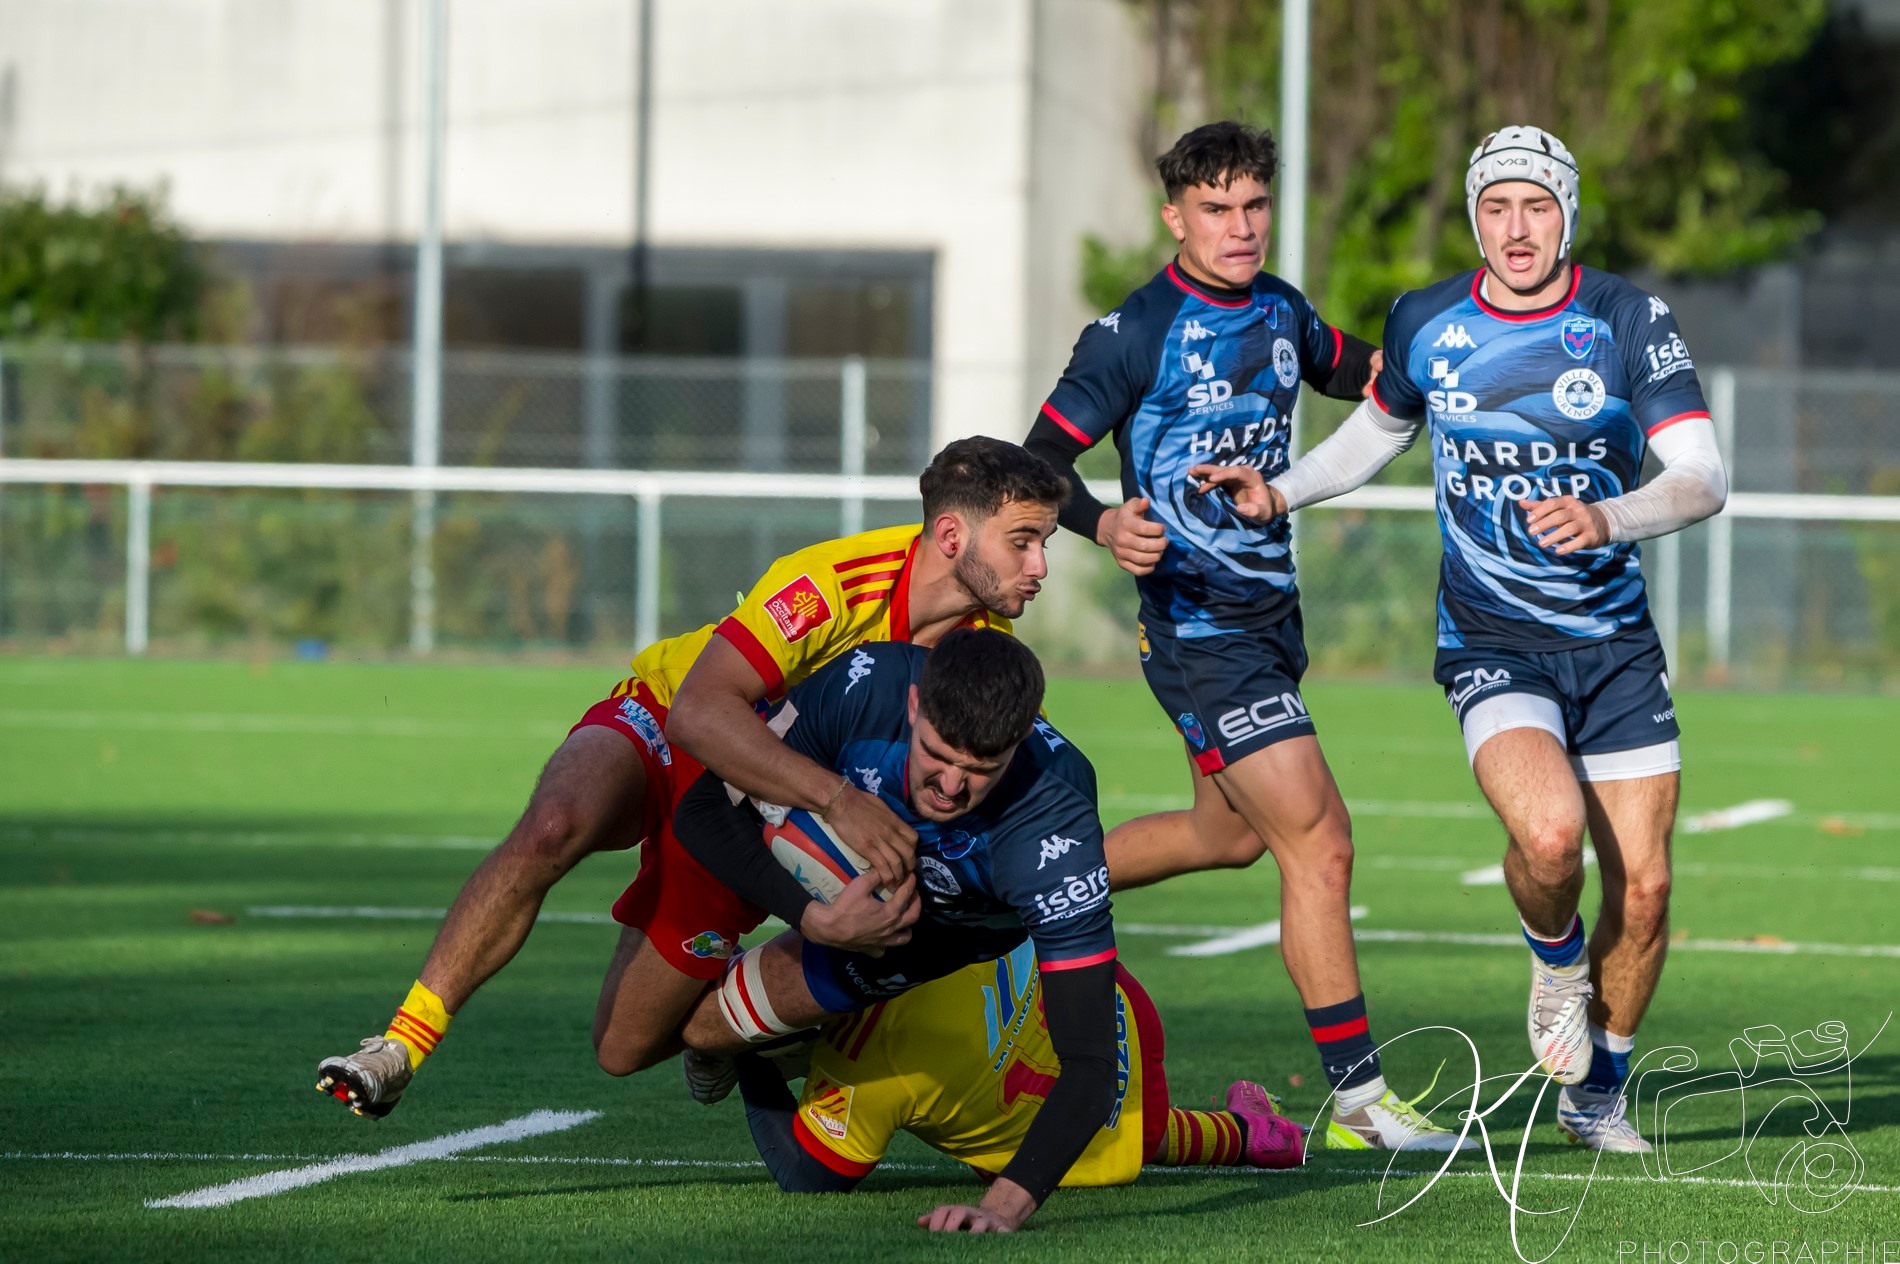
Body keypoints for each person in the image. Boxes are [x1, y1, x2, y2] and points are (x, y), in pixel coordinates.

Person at [1198, 126, 1727, 1153]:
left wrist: (1610, 516)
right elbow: (1374, 433)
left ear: (1566, 212)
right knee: (1546, 838)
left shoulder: (1627, 318)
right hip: (1492, 636)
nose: (1515, 227)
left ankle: (1596, 1097)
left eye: (1535, 205)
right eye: (1495, 206)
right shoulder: (1427, 318)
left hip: (1614, 642)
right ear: (1474, 216)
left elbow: (1700, 475)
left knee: (1649, 886)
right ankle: (1552, 953)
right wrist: (1284, 488)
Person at [315, 438, 1067, 1117]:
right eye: (1024, 541)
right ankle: (401, 1044)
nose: (1039, 567)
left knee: (623, 1049)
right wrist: (839, 801)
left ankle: (744, 1028)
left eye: (1044, 544)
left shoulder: (981, 660)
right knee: (555, 822)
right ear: (949, 536)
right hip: (668, 716)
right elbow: (701, 716)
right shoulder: (833, 580)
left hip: (753, 814)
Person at [1023, 119, 1464, 1152]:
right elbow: (1033, 453)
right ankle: (1359, 1102)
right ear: (1175, 217)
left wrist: (1458, 365)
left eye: (1253, 205)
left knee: (1222, 836)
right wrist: (1100, 522)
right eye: (1215, 209)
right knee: (1318, 840)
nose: (1239, 226)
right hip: (1197, 627)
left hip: (1269, 619)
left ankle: (1016, 883)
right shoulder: (1130, 333)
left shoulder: (1279, 309)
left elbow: (1363, 373)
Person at [667, 630, 1122, 1233]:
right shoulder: (865, 686)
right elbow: (701, 812)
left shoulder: (1056, 825)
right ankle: (775, 1028)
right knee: (700, 1031)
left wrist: (999, 1210)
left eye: (980, 768)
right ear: (913, 707)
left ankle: (803, 1037)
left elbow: (1090, 1062)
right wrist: (815, 917)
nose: (952, 787)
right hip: (844, 893)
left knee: (816, 1172)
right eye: (938, 754)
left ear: (1018, 745)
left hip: (945, 940)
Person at [734, 943, 1305, 1198]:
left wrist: (740, 1058)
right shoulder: (929, 904)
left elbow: (811, 1174)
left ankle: (1247, 1135)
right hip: (1115, 1002)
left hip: (1085, 1122)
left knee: (1109, 1137)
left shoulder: (860, 1065)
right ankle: (1255, 1132)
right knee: (1132, 1125)